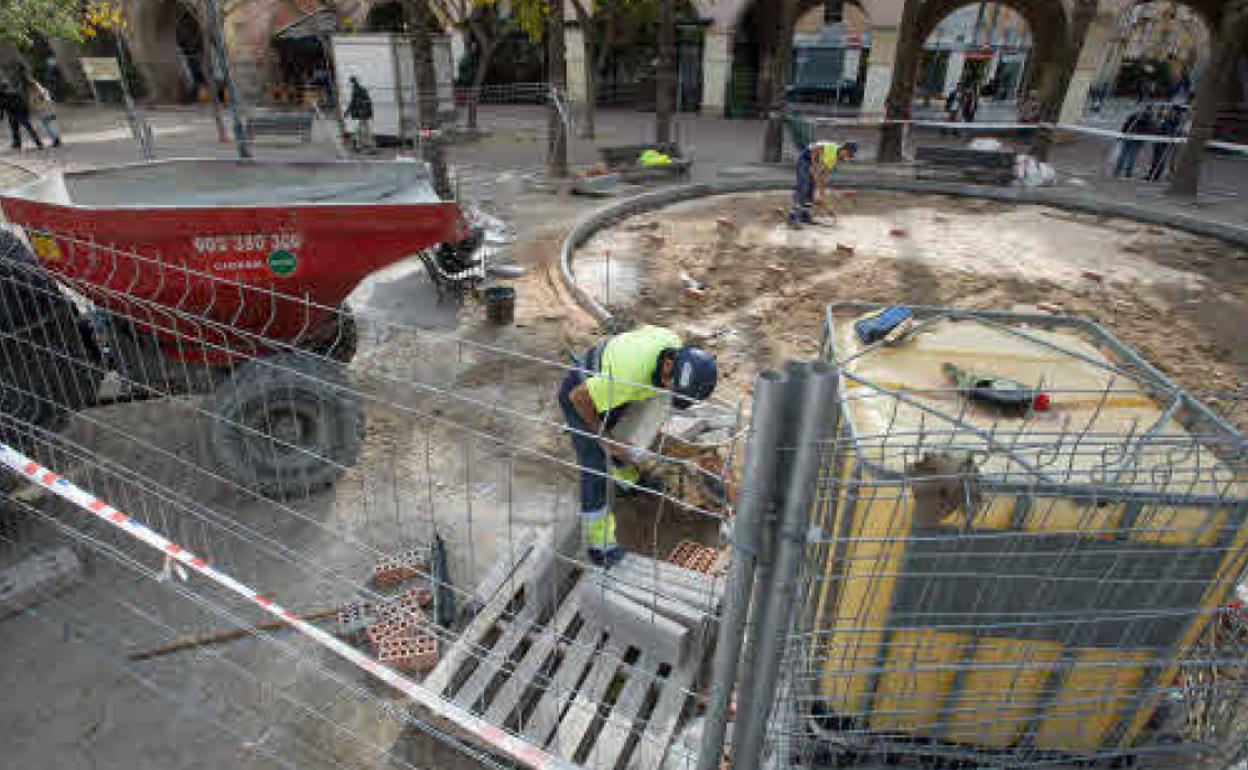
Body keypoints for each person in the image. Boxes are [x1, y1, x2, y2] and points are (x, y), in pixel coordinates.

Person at [558, 327, 718, 566]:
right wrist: (605, 438)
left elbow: (642, 332)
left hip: (614, 385)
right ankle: (599, 545)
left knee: (624, 429)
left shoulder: (672, 344)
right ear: (667, 365)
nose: (670, 391)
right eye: (672, 386)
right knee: (595, 466)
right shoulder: (627, 378)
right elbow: (578, 397)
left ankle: (626, 479)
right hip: (580, 396)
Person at [788, 139, 858, 228]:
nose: (846, 157)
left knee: (811, 188)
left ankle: (804, 215)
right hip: (804, 160)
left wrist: (825, 202)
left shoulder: (833, 159)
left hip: (812, 163)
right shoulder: (832, 148)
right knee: (803, 186)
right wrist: (813, 167)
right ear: (844, 149)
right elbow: (814, 149)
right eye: (848, 154)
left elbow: (822, 179)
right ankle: (792, 217)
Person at [0, 78, 43, 150]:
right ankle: (37, 143)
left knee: (18, 129)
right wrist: (26, 112)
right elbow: (23, 103)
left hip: (15, 113)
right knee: (22, 129)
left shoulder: (5, 95)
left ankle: (20, 143)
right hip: (17, 113)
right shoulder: (15, 93)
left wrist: (1, 116)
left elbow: (2, 106)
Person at [22, 72, 61, 148]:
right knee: (51, 125)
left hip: (41, 111)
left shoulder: (33, 93)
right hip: (49, 108)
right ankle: (56, 139)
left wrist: (32, 108)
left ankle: (55, 140)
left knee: (47, 126)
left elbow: (32, 103)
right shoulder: (44, 90)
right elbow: (49, 99)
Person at [1114, 106, 1153, 179]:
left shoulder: (1135, 116)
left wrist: (1121, 135)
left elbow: (1126, 125)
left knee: (1124, 154)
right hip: (1136, 140)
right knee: (1131, 155)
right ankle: (1127, 171)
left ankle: (1118, 170)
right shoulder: (1148, 120)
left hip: (1130, 137)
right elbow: (1149, 131)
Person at [1147, 105, 1182, 182]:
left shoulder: (1177, 120)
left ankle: (1156, 176)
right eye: (1171, 110)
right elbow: (1159, 126)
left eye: (1173, 110)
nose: (1171, 111)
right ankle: (1150, 174)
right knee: (1155, 158)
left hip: (1166, 142)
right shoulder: (1166, 118)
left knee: (1161, 159)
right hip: (1159, 140)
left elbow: (1175, 130)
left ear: (1176, 111)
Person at [346, 76, 374, 152]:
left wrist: (348, 111)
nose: (351, 85)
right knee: (362, 129)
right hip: (362, 113)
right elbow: (354, 102)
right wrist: (348, 111)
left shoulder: (358, 90)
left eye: (351, 83)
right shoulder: (358, 90)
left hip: (362, 113)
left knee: (361, 129)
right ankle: (363, 145)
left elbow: (355, 102)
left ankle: (361, 145)